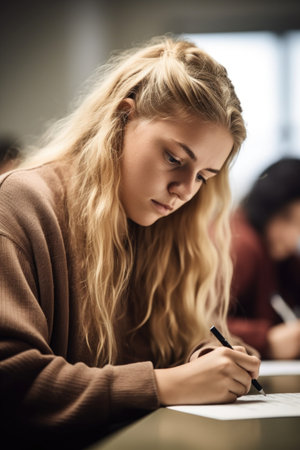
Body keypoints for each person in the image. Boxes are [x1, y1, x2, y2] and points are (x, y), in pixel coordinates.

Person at [0, 36, 260, 449]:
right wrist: (163, 384)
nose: (184, 191)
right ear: (122, 118)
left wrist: (203, 357)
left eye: (203, 176)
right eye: (175, 158)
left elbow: (162, 346)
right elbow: (12, 381)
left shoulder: (162, 227)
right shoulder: (20, 204)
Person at [228, 157, 300, 360]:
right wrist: (266, 340)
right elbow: (195, 324)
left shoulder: (279, 252)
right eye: (287, 217)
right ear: (266, 205)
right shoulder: (242, 246)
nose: (292, 236)